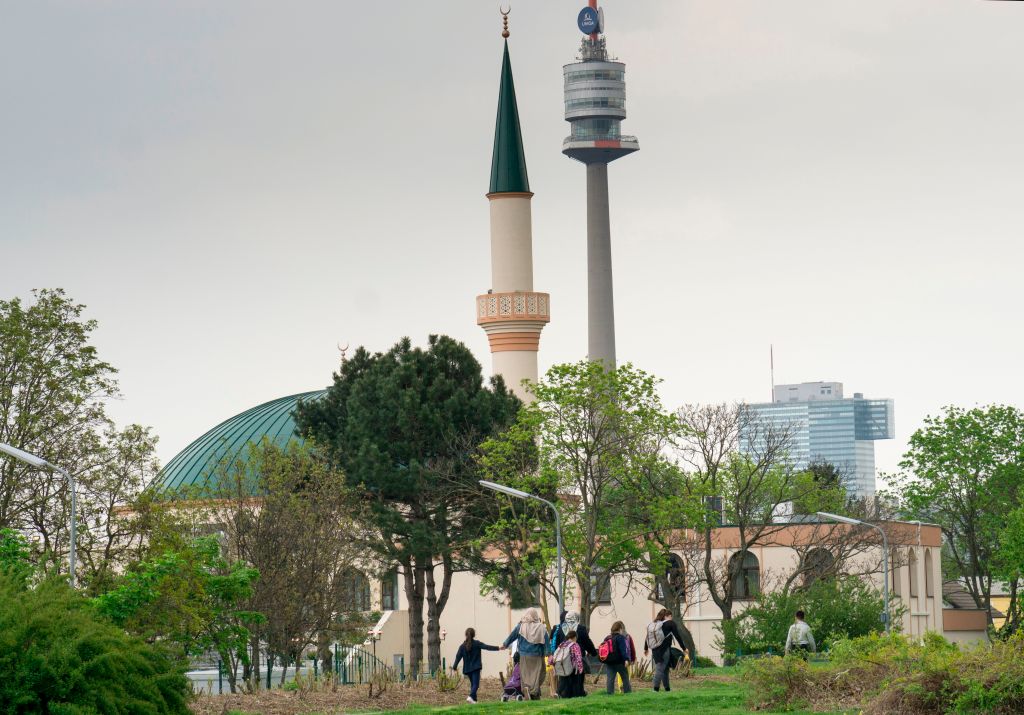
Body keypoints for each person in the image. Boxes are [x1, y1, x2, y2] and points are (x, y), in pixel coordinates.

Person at [503, 608, 549, 700]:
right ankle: (534, 693)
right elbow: (546, 641)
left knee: (526, 676)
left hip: (524, 656)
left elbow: (512, 636)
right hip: (537, 656)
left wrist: (505, 644)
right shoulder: (541, 627)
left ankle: (528, 690)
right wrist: (548, 653)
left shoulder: (520, 626)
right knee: (538, 675)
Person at [451, 627, 503, 704]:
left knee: (473, 684)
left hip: (467, 669)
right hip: (475, 668)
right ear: (474, 635)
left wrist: (454, 667)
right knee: (476, 684)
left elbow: (458, 656)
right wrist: (498, 648)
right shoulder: (477, 643)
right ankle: (471, 696)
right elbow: (487, 647)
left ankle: (474, 701)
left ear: (466, 635)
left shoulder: (462, 646)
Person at [644, 608, 689, 692]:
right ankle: (655, 689)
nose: (671, 618)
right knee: (660, 668)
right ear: (666, 616)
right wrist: (684, 648)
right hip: (664, 649)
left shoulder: (654, 624)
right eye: (670, 616)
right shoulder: (670, 623)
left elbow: (647, 637)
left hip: (655, 650)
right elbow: (677, 636)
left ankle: (667, 689)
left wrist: (646, 648)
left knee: (665, 669)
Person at [550, 610, 597, 690]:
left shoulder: (561, 628)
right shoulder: (581, 628)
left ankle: (564, 693)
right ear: (576, 618)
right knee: (578, 676)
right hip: (578, 657)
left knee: (565, 676)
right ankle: (578, 691)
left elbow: (558, 644)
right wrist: (593, 652)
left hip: (564, 658)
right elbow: (587, 642)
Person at [548, 629, 585, 698]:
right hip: (572, 667)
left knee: (563, 680)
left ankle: (558, 693)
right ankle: (575, 695)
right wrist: (580, 668)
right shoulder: (575, 645)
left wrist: (551, 663)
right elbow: (578, 657)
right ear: (574, 637)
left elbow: (555, 654)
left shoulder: (562, 644)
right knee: (574, 682)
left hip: (562, 666)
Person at [601, 621, 632, 695]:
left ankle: (610, 694)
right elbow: (623, 650)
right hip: (619, 662)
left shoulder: (607, 638)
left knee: (610, 679)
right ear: (620, 629)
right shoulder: (621, 638)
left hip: (609, 662)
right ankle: (627, 693)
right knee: (625, 678)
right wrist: (626, 659)